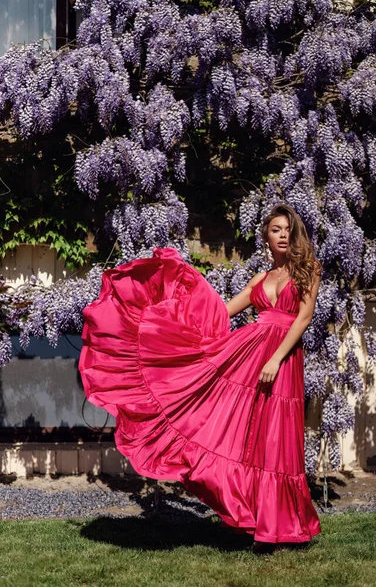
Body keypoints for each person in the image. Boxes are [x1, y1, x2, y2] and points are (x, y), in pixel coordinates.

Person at [79, 203, 321, 551]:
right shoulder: (259, 280)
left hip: (280, 361)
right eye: (275, 230)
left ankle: (282, 528)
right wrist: (171, 316)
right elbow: (221, 313)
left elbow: (303, 319)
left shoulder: (307, 271)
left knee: (277, 438)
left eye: (287, 229)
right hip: (248, 358)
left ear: (294, 234)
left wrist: (276, 359)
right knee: (250, 438)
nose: (282, 235)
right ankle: (258, 523)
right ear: (266, 238)